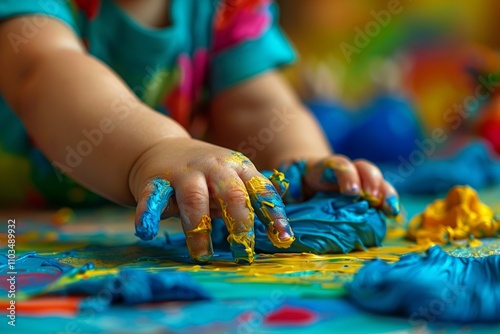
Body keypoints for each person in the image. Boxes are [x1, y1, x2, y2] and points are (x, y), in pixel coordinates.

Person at [0, 0, 399, 264]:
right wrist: (156, 148)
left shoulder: (227, 8)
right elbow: (41, 71)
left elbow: (255, 105)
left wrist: (297, 165)